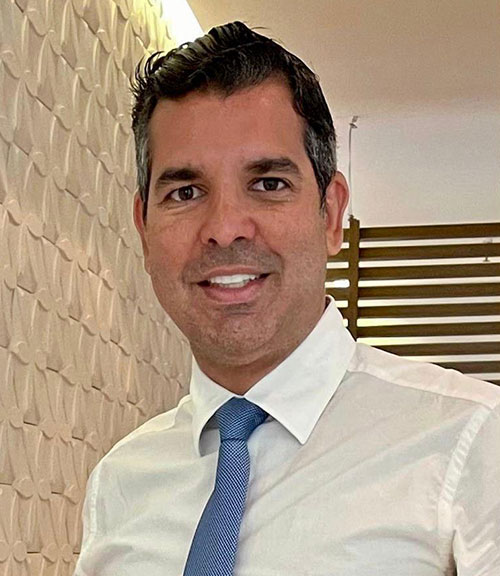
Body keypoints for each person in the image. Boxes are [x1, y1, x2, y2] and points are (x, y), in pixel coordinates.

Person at [74, 21, 500, 576]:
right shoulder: (119, 484)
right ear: (144, 227)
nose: (225, 228)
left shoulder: (472, 441)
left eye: (268, 184)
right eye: (185, 192)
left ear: (331, 214)